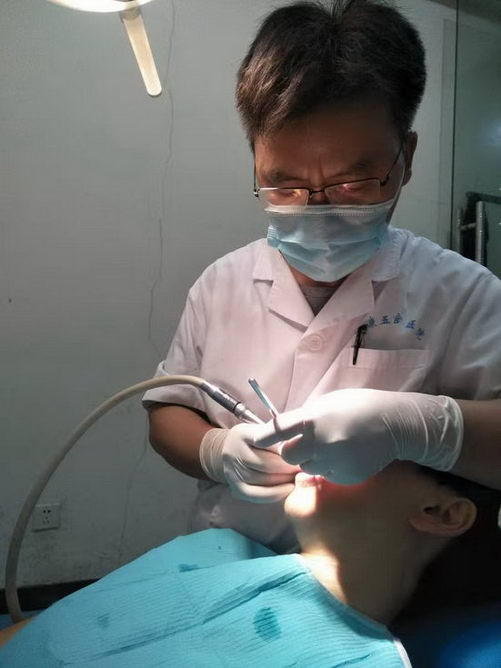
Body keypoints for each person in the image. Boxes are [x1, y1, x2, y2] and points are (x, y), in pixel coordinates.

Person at [143, 0, 501, 555]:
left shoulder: (466, 294)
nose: (318, 211)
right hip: (222, 561)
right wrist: (217, 450)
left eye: (353, 184)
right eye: (283, 185)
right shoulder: (221, 284)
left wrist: (423, 427)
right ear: (255, 160)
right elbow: (169, 410)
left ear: (405, 157)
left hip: (377, 583)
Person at [1, 464, 500, 666]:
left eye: (366, 450)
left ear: (442, 513)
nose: (322, 449)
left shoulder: (360, 662)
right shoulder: (213, 551)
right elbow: (36, 634)